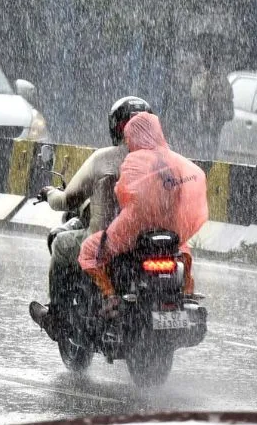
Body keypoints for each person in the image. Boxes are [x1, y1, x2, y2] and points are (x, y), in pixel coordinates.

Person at [28, 96, 153, 339]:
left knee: (61, 245)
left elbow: (68, 200)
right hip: (148, 242)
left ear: (116, 127)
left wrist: (50, 192)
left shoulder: (104, 158)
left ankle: (56, 317)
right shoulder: (165, 160)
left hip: (107, 242)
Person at [79, 111, 208, 309]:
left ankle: (109, 296)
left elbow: (122, 193)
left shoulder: (135, 160)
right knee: (183, 250)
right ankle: (186, 291)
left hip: (135, 228)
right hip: (171, 229)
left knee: (89, 251)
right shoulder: (175, 162)